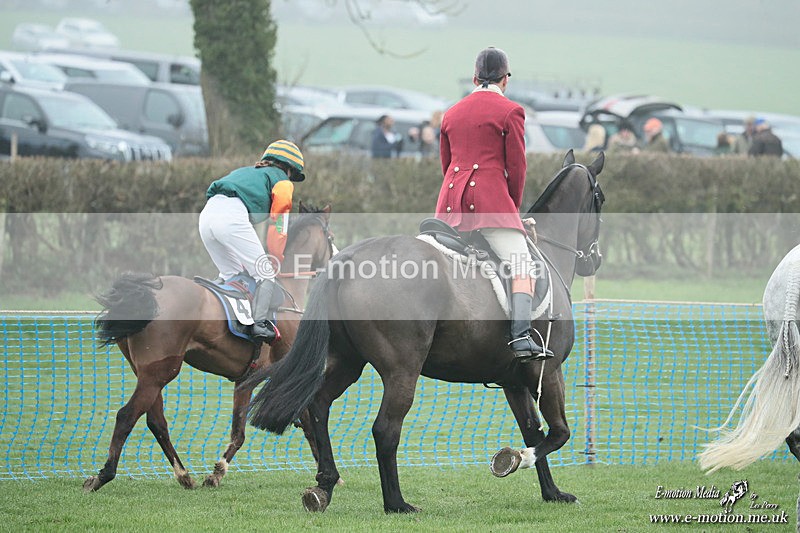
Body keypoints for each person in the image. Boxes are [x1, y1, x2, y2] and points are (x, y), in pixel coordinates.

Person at [435, 46, 551, 362]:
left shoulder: (452, 112)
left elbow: (447, 165)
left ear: (474, 78)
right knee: (522, 264)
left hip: (449, 207)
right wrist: (511, 211)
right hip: (490, 205)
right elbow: (517, 168)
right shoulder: (511, 112)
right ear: (505, 80)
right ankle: (521, 336)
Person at [198, 139, 306, 344]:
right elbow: (279, 221)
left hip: (206, 217)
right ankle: (260, 324)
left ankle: (228, 324)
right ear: (289, 169)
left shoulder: (247, 171)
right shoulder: (282, 181)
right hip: (231, 217)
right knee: (264, 274)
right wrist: (275, 256)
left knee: (233, 276)